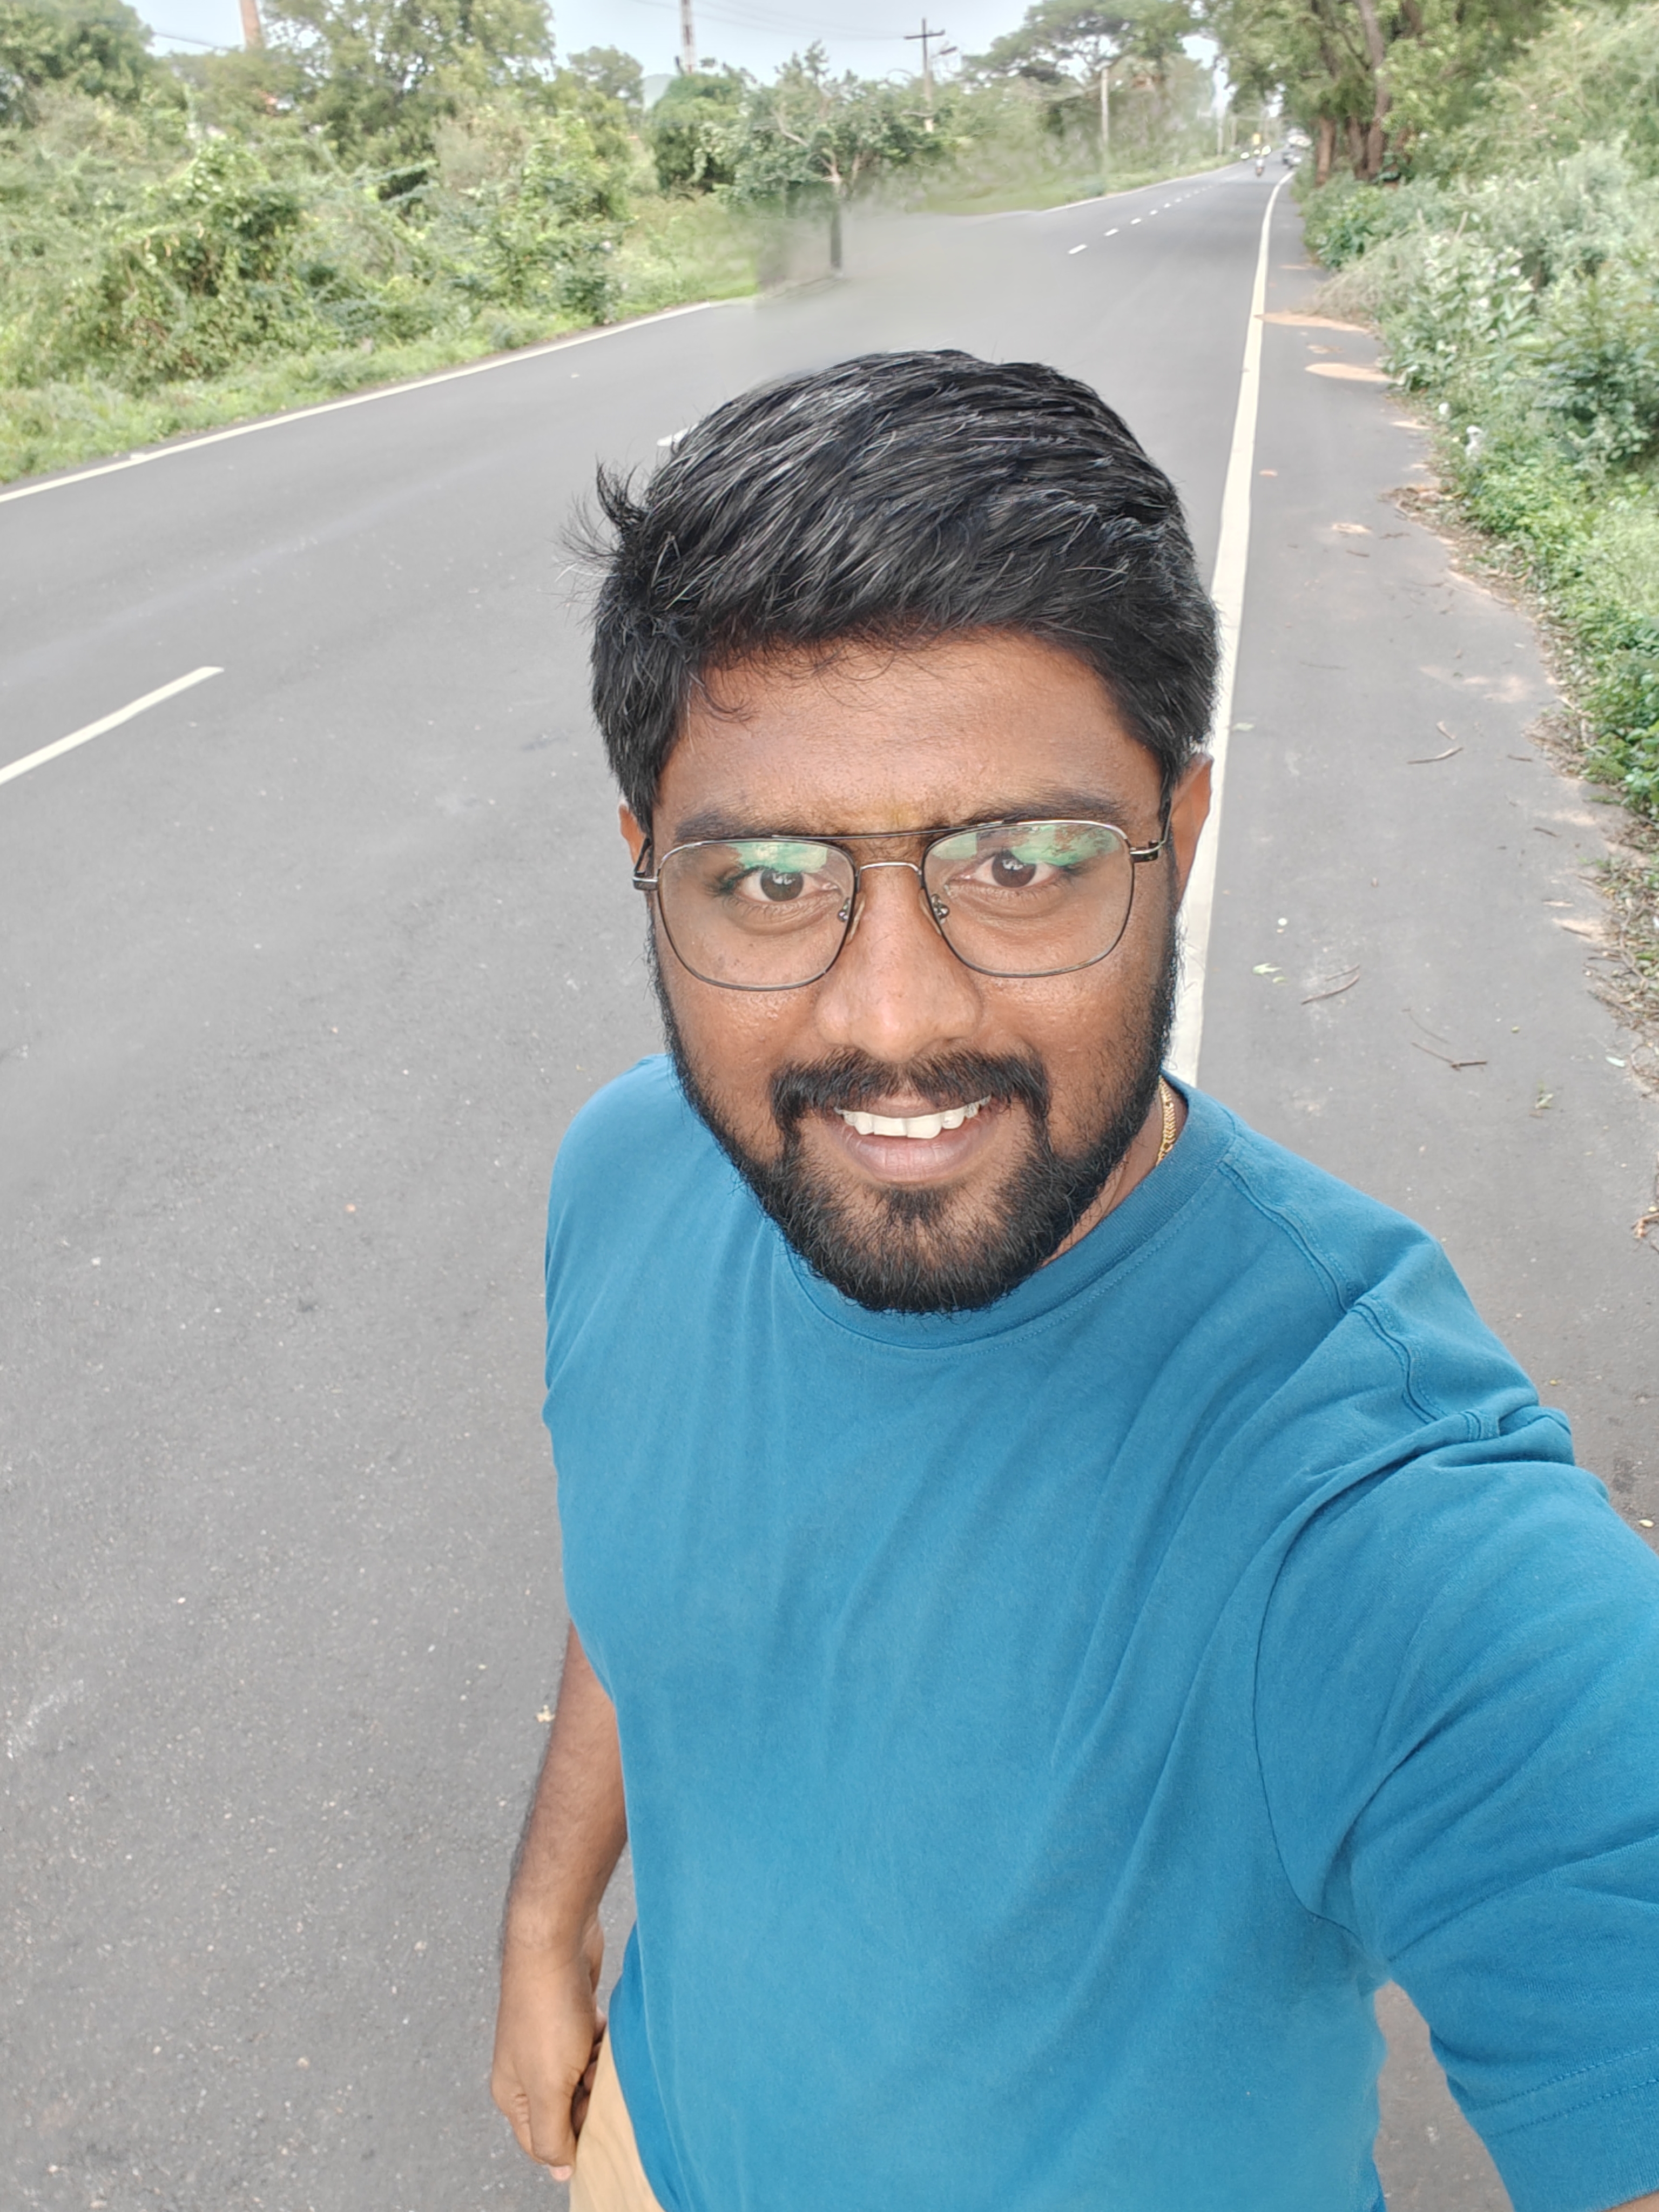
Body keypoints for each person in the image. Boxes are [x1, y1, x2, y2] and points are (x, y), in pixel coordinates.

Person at [490, 351, 1659, 2212]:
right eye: (771, 882)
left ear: (1178, 838)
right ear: (651, 868)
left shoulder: (1392, 1527)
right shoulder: (633, 1172)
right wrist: (547, 1919)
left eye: (1022, 864)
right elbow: (645, 1565)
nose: (893, 1021)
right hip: (655, 2146)